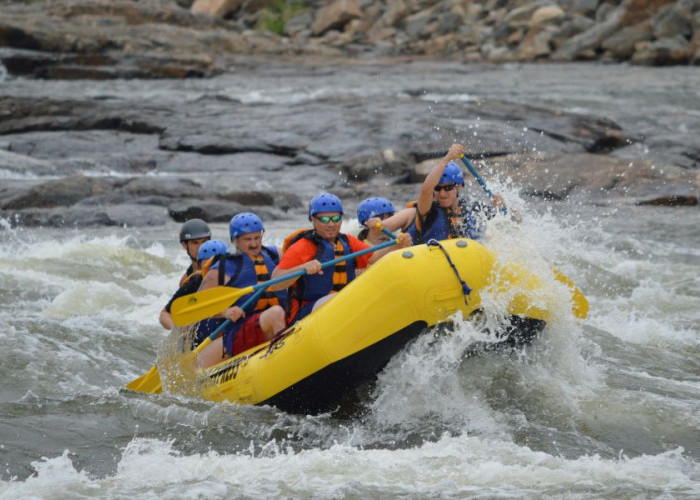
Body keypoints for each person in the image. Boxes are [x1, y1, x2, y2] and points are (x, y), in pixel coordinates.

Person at [271, 193, 412, 325]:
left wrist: (397, 246)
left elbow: (374, 257)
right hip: (305, 315)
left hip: (342, 307)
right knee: (342, 299)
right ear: (313, 220)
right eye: (325, 219)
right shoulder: (302, 247)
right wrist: (302, 268)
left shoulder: (348, 241)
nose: (331, 224)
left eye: (336, 218)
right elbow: (276, 282)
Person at [195, 212, 287, 369]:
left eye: (257, 238)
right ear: (234, 240)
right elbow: (199, 306)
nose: (254, 244)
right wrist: (225, 312)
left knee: (280, 313)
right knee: (276, 313)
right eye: (247, 239)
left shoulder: (274, 254)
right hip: (240, 332)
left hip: (275, 323)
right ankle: (283, 364)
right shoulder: (223, 268)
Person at [375, 143, 509, 244]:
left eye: (448, 188)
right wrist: (447, 158)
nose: (442, 194)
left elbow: (513, 221)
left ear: (459, 187)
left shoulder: (474, 209)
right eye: (438, 189)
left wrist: (503, 208)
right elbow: (426, 190)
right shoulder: (427, 210)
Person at [159, 239, 228, 330]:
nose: (213, 271)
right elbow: (165, 314)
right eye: (208, 266)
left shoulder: (238, 277)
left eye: (217, 265)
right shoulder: (196, 281)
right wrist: (178, 331)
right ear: (200, 266)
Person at [177, 218, 212, 286]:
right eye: (195, 242)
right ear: (184, 245)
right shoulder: (185, 282)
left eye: (204, 242)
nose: (201, 247)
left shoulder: (222, 267)